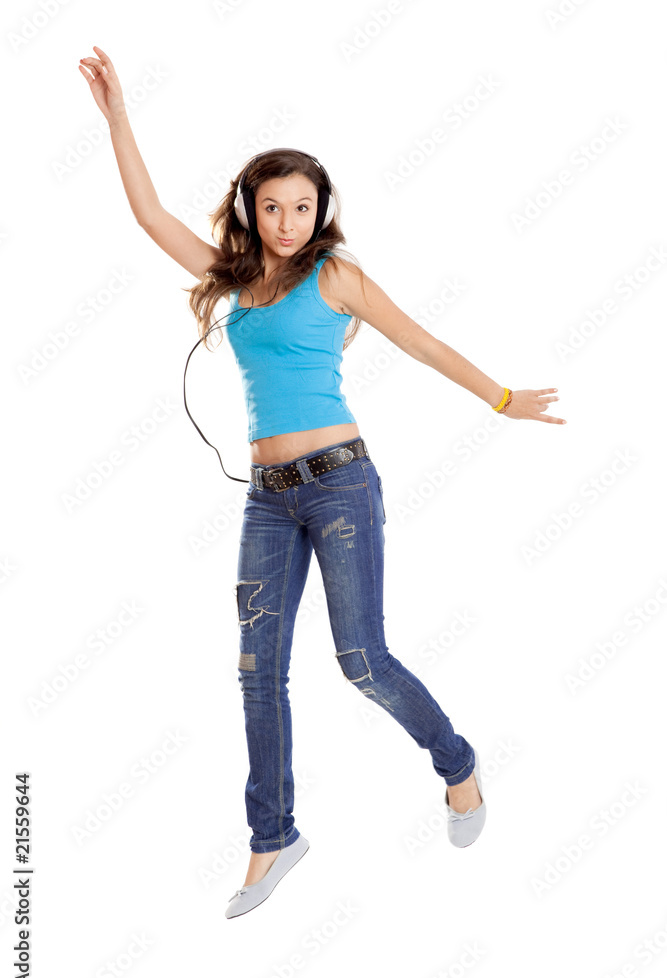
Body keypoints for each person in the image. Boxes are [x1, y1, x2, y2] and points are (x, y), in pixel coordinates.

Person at [79, 46, 567, 920]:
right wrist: (117, 115)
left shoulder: (333, 275)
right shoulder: (232, 279)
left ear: (320, 211)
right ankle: (272, 837)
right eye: (272, 206)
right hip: (266, 497)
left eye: (301, 206)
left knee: (360, 659)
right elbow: (149, 215)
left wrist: (500, 400)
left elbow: (418, 341)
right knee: (255, 671)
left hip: (341, 484)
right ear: (250, 209)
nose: (287, 221)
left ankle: (457, 764)